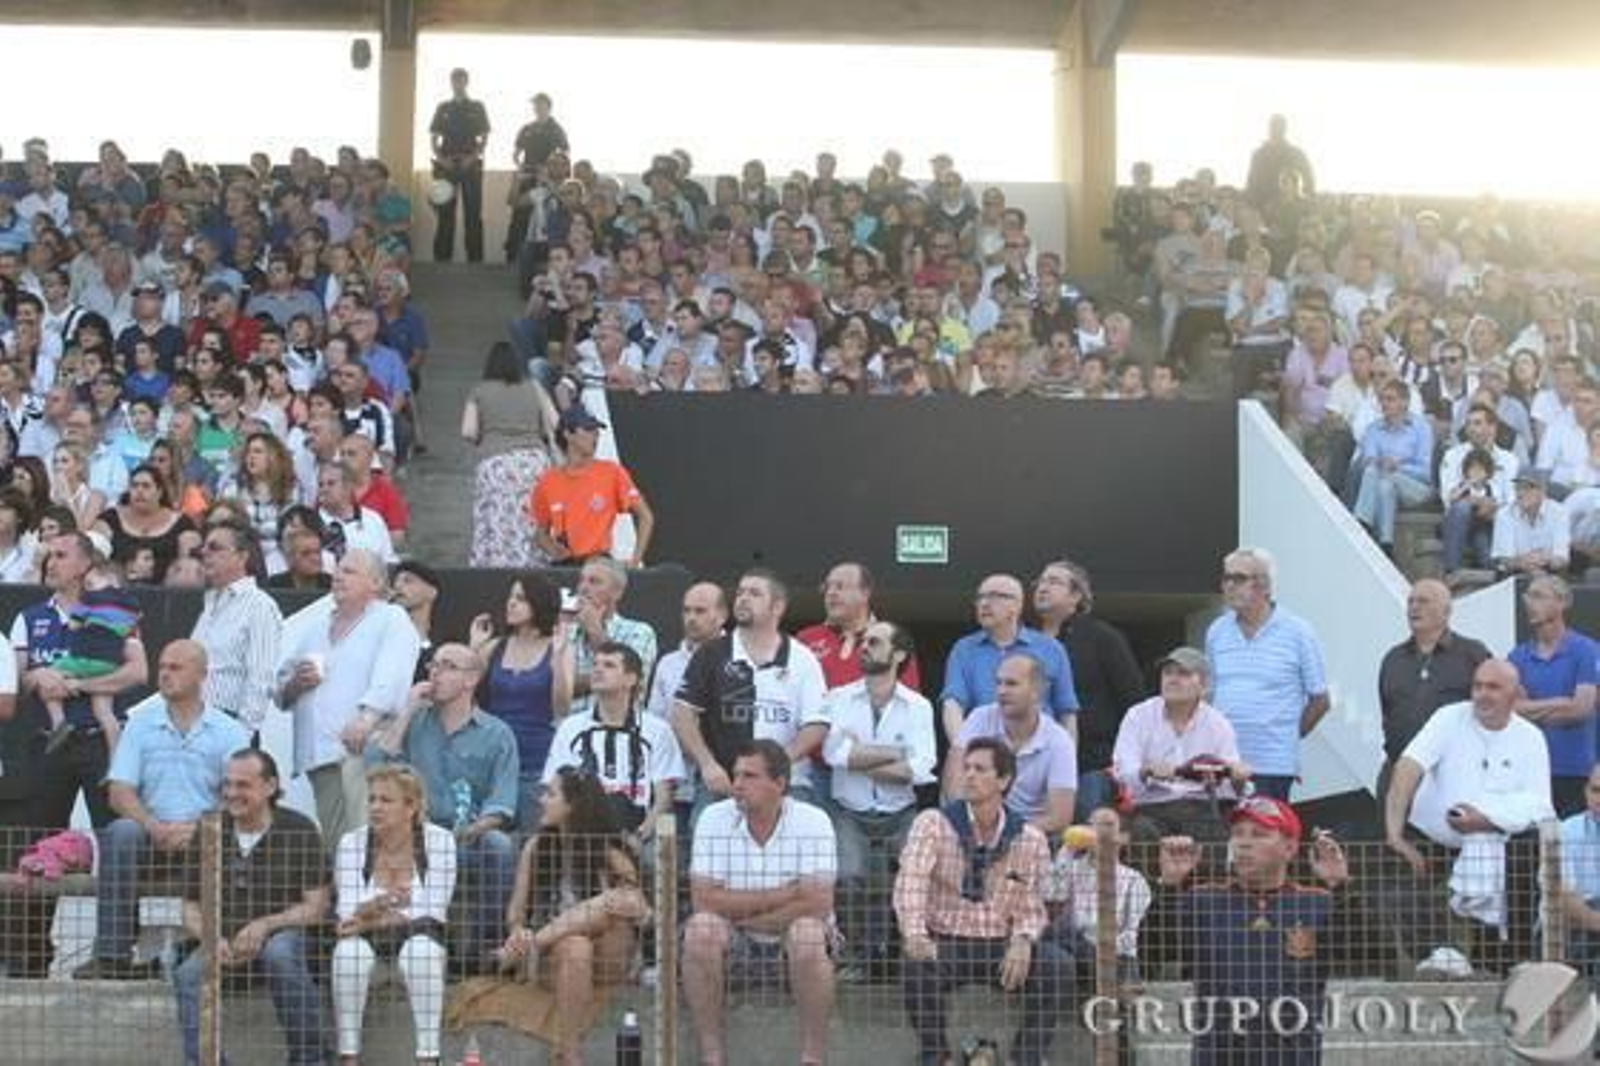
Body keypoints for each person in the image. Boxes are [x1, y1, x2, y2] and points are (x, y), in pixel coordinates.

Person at [75, 641, 250, 979]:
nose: (165, 674)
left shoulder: (229, 730)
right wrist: (152, 824)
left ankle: (219, 950)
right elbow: (119, 792)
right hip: (152, 837)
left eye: (176, 668)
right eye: (162, 667)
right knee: (123, 831)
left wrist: (199, 829)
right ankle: (113, 956)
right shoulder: (140, 724)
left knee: (231, 835)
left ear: (202, 675)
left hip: (206, 837)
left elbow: (242, 798)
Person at [1143, 797, 1365, 1063]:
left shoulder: (1318, 902)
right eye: (1237, 834)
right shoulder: (1202, 900)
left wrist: (1340, 887)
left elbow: (1370, 955)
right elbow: (1153, 951)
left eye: (1259, 834)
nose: (1243, 843)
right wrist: (1169, 886)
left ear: (1289, 848)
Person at [895, 737, 1069, 1066]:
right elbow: (911, 880)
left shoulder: (1028, 838)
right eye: (966, 768)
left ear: (1003, 780)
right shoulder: (933, 823)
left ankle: (1027, 1057)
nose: (969, 776)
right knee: (915, 966)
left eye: (980, 769)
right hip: (944, 941)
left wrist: (1023, 940)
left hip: (999, 942)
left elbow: (1032, 904)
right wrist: (915, 934)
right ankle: (937, 1055)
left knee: (1056, 965)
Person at [1384, 659, 1553, 973]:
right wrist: (1395, 835)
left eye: (1493, 687)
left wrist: (1486, 820)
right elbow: (1408, 768)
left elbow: (1539, 806)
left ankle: (1508, 961)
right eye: (1477, 686)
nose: (1482, 694)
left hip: (1495, 840)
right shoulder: (1448, 718)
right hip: (1433, 835)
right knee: (1398, 874)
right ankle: (1439, 955)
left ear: (1515, 695)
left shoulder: (1531, 738)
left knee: (1526, 848)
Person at [683, 739, 837, 1066]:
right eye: (736, 775)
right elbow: (704, 899)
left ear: (779, 784)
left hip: (791, 938)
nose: (737, 785)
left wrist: (742, 913)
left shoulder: (814, 820)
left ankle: (813, 1057)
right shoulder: (712, 817)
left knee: (808, 934)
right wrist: (784, 894)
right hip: (734, 938)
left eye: (749, 776)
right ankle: (712, 1056)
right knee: (700, 930)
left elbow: (817, 904)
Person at [368, 642, 520, 972]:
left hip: (469, 837)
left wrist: (465, 833)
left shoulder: (497, 734)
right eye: (433, 665)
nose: (435, 672)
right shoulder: (415, 723)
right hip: (416, 836)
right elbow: (375, 766)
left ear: (471, 680)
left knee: (500, 844)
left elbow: (501, 806)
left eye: (447, 666)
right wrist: (407, 710)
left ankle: (481, 952)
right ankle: (410, 941)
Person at [173, 749, 330, 1066]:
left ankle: (309, 1058)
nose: (231, 793)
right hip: (223, 940)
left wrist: (265, 926)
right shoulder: (209, 829)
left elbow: (317, 907)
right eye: (227, 785)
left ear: (270, 786)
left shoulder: (298, 829)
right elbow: (188, 905)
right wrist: (210, 936)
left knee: (280, 954)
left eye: (243, 785)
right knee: (188, 973)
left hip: (286, 938)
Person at [493, 766, 646, 1066]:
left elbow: (641, 907)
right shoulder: (537, 847)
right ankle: (570, 1056)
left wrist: (624, 906)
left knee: (607, 904)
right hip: (558, 960)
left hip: (609, 958)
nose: (541, 800)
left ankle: (536, 942)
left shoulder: (612, 852)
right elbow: (516, 912)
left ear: (573, 804)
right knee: (577, 945)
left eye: (550, 794)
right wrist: (518, 931)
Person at [277, 548, 420, 848]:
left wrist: (367, 717)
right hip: (320, 756)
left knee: (367, 840)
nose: (339, 576)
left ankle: (370, 895)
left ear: (377, 583)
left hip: (363, 750)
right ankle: (346, 895)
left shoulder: (391, 618)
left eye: (350, 571)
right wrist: (295, 684)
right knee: (336, 845)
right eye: (339, 570)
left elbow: (392, 675)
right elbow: (281, 688)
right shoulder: (315, 628)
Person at [821, 620, 937, 975]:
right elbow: (833, 755)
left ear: (899, 654)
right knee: (849, 876)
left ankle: (912, 953)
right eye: (863, 642)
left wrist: (861, 755)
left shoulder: (919, 706)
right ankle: (856, 958)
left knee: (916, 876)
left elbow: (921, 767)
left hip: (901, 811)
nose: (864, 647)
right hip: (849, 811)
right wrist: (894, 754)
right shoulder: (838, 698)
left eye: (874, 641)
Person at [12, 531, 147, 827]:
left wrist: (78, 685)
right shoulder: (29, 618)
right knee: (42, 839)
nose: (50, 563)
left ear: (86, 563)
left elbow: (138, 673)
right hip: (50, 742)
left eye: (61, 556)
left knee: (113, 830)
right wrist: (38, 676)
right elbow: (16, 686)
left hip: (99, 739)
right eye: (49, 555)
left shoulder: (112, 609)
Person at [671, 569, 829, 809]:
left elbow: (817, 724)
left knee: (797, 846)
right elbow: (682, 713)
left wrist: (778, 765)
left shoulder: (802, 658)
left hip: (787, 785)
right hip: (722, 783)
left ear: (777, 607)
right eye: (741, 592)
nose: (743, 598)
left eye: (755, 593)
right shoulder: (711, 653)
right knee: (707, 844)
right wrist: (707, 764)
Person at [332, 765, 456, 1066]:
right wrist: (387, 901)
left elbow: (433, 912)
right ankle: (349, 1056)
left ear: (411, 806)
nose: (375, 807)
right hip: (367, 937)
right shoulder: (352, 843)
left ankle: (428, 1057)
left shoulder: (439, 842)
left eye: (386, 800)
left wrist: (370, 913)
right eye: (372, 799)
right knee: (348, 954)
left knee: (421, 951)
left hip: (422, 935)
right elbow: (346, 915)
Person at [1205, 547, 1329, 800]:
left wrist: (1286, 737)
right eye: (1226, 578)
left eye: (1238, 578)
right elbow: (1210, 694)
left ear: (1265, 586)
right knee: (1222, 837)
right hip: (1224, 763)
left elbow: (1320, 700)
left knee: (1267, 838)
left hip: (1272, 766)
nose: (1229, 585)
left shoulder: (1298, 632)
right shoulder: (1217, 631)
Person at [1031, 559, 1144, 813]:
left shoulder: (1103, 637)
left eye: (1054, 581)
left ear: (1076, 596)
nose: (1042, 587)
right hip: (1034, 766)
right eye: (1040, 582)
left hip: (1091, 766)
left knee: (1085, 843)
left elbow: (1133, 700)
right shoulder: (1026, 641)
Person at [544, 641, 683, 840]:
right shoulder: (570, 727)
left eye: (609, 665)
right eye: (595, 664)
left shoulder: (658, 730)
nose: (598, 670)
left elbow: (664, 798)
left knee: (663, 849)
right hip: (582, 836)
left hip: (641, 833)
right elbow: (555, 788)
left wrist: (640, 836)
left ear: (631, 679)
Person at [469, 571, 573, 830]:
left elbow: (562, 707)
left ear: (539, 604)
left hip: (535, 761)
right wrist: (474, 649)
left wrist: (558, 658)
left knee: (533, 838)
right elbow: (464, 690)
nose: (511, 603)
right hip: (494, 759)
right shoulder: (495, 647)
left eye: (521, 598)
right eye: (511, 597)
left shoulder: (557, 647)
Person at [1113, 647, 1247, 842]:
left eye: (1183, 673)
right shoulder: (1138, 716)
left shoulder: (1218, 722)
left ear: (1204, 685)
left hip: (1202, 809)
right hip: (1151, 809)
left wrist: (1238, 777)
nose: (1172, 679)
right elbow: (1123, 771)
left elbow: (1232, 783)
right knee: (1140, 833)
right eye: (1167, 673)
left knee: (1217, 835)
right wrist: (1145, 771)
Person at [1375, 579, 1490, 807]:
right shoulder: (1393, 659)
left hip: (1452, 776)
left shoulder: (1472, 653)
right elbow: (1387, 712)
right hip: (1399, 773)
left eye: (1423, 601)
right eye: (1411, 601)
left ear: (1446, 611)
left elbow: (1493, 709)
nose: (1414, 607)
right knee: (1392, 840)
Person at [940, 572, 1078, 749]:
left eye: (994, 596)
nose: (984, 603)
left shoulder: (1051, 649)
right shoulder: (964, 649)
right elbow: (952, 705)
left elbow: (1067, 712)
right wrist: (963, 751)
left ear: (1017, 605)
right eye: (980, 597)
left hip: (1041, 752)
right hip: (984, 755)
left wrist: (1067, 759)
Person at [950, 654, 1078, 836]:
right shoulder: (979, 718)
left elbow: (1060, 818)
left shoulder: (1059, 740)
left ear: (1037, 691)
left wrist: (1005, 833)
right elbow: (954, 787)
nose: (1001, 691)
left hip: (1030, 836)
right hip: (972, 831)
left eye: (1011, 684)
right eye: (998, 683)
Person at [461, 341, 558, 567]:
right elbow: (555, 421)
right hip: (534, 462)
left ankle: (496, 568)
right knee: (533, 520)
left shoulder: (480, 390)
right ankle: (533, 565)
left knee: (497, 521)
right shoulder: (534, 386)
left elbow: (468, 431)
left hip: (496, 464)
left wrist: (484, 438)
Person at [1508, 574, 1598, 816]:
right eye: (1528, 596)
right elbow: (1512, 710)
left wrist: (1532, 708)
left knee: (1575, 849)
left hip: (1577, 771)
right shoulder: (1517, 656)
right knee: (1539, 850)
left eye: (1538, 596)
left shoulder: (1586, 650)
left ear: (1562, 602)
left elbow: (1581, 709)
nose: (1528, 602)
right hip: (1532, 771)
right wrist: (1561, 703)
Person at [528, 406, 654, 567]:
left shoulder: (611, 472)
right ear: (568, 434)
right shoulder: (548, 481)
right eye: (588, 429)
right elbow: (540, 533)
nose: (595, 435)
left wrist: (635, 560)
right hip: (564, 566)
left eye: (596, 430)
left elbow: (645, 516)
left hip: (599, 562)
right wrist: (553, 549)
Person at [190, 519, 282, 732]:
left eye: (214, 548)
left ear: (242, 557)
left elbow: (260, 678)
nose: (204, 553)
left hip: (227, 725)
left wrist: (243, 736)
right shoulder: (209, 604)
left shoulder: (259, 605)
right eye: (203, 547)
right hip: (193, 722)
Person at [40, 562, 140, 755]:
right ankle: (115, 760)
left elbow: (73, 626)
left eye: (90, 583)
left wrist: (82, 619)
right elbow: (131, 627)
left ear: (110, 581)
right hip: (111, 664)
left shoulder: (91, 599)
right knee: (105, 714)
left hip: (85, 661)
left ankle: (59, 722)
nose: (86, 588)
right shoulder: (131, 604)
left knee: (48, 680)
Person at [796, 561, 921, 690]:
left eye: (840, 586)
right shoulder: (805, 638)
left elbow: (908, 700)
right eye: (827, 587)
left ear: (865, 593)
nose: (830, 593)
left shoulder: (893, 639)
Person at [568, 556, 658, 709]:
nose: (583, 588)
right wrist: (607, 678)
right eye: (581, 580)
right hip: (568, 728)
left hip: (619, 728)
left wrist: (594, 630)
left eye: (594, 582)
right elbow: (548, 685)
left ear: (617, 593)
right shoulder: (564, 631)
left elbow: (630, 681)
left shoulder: (640, 632)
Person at [93, 461, 200, 583]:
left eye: (146, 486)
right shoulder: (110, 518)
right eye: (134, 486)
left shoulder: (182, 524)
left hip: (167, 594)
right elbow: (94, 559)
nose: (139, 491)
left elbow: (191, 569)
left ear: (159, 492)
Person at [429, 67, 490, 264]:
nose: (457, 84)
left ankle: (475, 260)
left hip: (470, 164)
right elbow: (434, 137)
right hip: (447, 164)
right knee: (445, 212)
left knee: (473, 213)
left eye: (461, 80)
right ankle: (442, 259)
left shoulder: (477, 106)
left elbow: (484, 137)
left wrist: (472, 157)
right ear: (451, 82)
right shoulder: (443, 107)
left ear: (466, 82)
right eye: (454, 80)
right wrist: (441, 159)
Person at [1492, 468, 1570, 575]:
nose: (1521, 493)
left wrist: (1547, 559)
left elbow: (1562, 558)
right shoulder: (1504, 514)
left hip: (1550, 572)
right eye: (1518, 488)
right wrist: (1527, 564)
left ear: (1543, 491)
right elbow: (1505, 559)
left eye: (1528, 488)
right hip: (1516, 573)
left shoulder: (1559, 512)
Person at [1245, 114, 1316, 210]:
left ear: (1285, 129)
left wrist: (1306, 204)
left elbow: (1309, 181)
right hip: (1263, 209)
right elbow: (1251, 184)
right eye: (1273, 126)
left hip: (1293, 209)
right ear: (1268, 129)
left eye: (1279, 126)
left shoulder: (1297, 154)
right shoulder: (1258, 155)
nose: (1276, 129)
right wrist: (1254, 207)